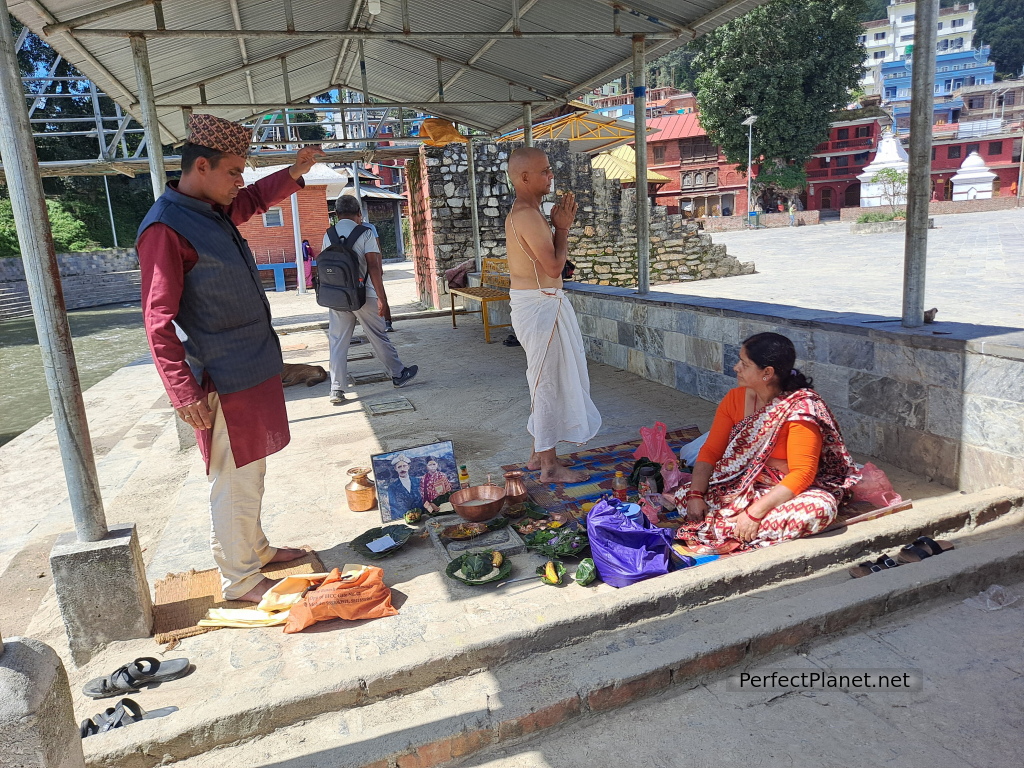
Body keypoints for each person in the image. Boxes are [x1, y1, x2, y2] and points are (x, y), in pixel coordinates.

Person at [137, 114, 322, 602]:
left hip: (251, 365)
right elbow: (158, 319)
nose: (239, 182)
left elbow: (256, 198)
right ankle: (241, 579)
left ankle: (255, 550)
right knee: (233, 477)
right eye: (234, 171)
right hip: (219, 374)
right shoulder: (166, 228)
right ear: (202, 166)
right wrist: (181, 391)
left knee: (252, 466)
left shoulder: (212, 208)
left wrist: (295, 171)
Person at [669, 332, 859, 552]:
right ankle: (734, 526)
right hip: (739, 485)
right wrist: (695, 495)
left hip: (785, 491)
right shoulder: (735, 399)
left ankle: (726, 526)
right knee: (683, 497)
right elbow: (711, 451)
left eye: (744, 363)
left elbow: (802, 473)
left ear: (767, 373)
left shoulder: (801, 408)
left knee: (818, 511)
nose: (736, 367)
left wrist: (754, 513)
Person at [504, 147, 602, 484]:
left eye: (550, 170)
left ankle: (536, 455)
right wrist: (563, 228)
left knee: (544, 380)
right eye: (544, 171)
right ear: (525, 177)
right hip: (540, 306)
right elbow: (554, 266)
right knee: (547, 384)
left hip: (542, 303)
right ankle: (548, 466)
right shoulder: (527, 215)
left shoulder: (529, 211)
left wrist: (559, 227)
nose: (551, 176)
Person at [322, 195, 417, 404]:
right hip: (365, 294)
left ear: (337, 215)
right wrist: (382, 298)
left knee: (337, 342)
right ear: (359, 214)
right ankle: (398, 374)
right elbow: (374, 266)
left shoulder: (328, 234)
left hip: (338, 297)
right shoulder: (365, 233)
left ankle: (336, 389)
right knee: (377, 335)